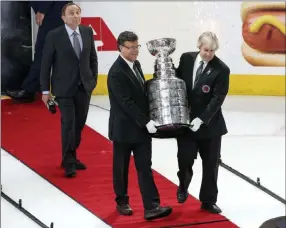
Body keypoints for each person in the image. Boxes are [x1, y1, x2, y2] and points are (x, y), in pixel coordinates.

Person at [107, 31, 172, 220]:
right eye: (131, 47)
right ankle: (122, 201)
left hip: (141, 130)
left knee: (145, 166)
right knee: (121, 167)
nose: (135, 51)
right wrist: (146, 121)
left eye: (137, 47)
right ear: (121, 48)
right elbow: (126, 102)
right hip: (124, 129)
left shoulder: (135, 65)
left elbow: (141, 96)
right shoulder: (116, 72)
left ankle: (152, 207)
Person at [40, 2, 98, 177]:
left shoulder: (87, 32)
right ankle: (69, 162)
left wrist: (92, 80)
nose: (75, 15)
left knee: (79, 124)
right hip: (63, 89)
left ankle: (70, 155)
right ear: (63, 17)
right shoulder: (54, 35)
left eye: (78, 12)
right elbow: (46, 64)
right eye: (71, 13)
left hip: (84, 87)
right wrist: (45, 91)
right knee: (68, 125)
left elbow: (92, 58)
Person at [175, 31, 230, 214]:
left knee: (210, 164)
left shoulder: (221, 70)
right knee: (184, 159)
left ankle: (208, 200)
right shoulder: (186, 59)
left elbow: (217, 99)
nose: (209, 54)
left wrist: (202, 119)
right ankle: (183, 184)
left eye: (212, 51)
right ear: (199, 46)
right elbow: (177, 79)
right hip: (186, 124)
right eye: (206, 50)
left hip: (210, 126)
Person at [7, 1, 71, 102]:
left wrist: (42, 10)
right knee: (52, 52)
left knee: (43, 52)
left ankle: (30, 89)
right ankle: (58, 91)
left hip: (52, 11)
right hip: (55, 10)